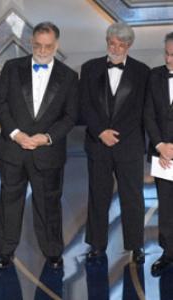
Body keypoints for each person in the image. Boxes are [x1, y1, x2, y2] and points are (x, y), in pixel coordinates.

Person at [0, 21, 78, 269]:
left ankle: (53, 252)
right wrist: (16, 134)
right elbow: (0, 104)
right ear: (31, 43)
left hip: (47, 153)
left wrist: (47, 137)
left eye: (47, 46)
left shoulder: (69, 76)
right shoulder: (11, 68)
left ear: (56, 45)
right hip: (13, 150)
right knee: (9, 202)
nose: (42, 50)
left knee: (49, 204)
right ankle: (5, 252)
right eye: (38, 45)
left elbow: (71, 116)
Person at [80, 22, 149, 263]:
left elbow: (142, 110)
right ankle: (96, 245)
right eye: (112, 43)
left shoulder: (143, 72)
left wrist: (116, 133)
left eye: (121, 44)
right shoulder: (89, 68)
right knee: (98, 195)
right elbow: (84, 104)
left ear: (129, 45)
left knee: (133, 196)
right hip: (98, 143)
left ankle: (136, 245)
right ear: (106, 41)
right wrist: (101, 132)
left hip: (129, 144)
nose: (116, 48)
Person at [144, 32, 173, 277]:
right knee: (166, 206)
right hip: (162, 154)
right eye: (167, 53)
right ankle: (168, 252)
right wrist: (160, 145)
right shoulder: (154, 76)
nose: (169, 59)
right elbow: (148, 115)